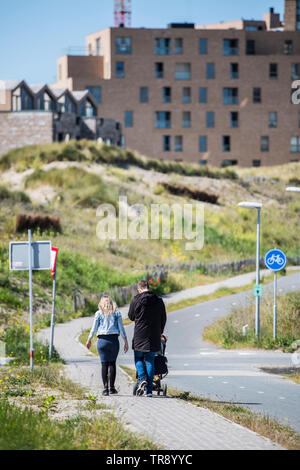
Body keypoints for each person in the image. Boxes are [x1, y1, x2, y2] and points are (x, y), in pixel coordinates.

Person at [128, 280, 167, 397]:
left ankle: (141, 378)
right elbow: (163, 318)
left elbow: (131, 316)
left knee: (138, 358)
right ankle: (149, 391)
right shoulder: (159, 301)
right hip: (154, 336)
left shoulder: (136, 299)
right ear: (148, 288)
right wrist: (160, 331)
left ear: (139, 289)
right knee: (150, 361)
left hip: (140, 334)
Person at [86, 295, 128, 396]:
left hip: (102, 341)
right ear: (111, 303)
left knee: (104, 364)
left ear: (101, 303)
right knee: (112, 364)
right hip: (113, 341)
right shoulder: (117, 313)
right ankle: (112, 388)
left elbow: (94, 328)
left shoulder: (98, 314)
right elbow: (121, 328)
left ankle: (105, 389)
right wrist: (125, 340)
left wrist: (89, 339)